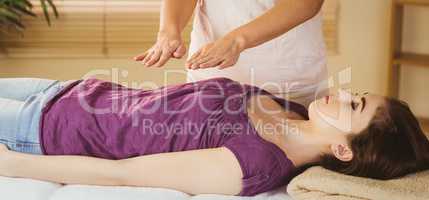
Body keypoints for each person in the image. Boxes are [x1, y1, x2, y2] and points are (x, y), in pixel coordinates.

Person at [0, 77, 428, 196]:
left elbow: (123, 175)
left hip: (40, 130)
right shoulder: (294, 109)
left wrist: (15, 165)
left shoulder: (254, 163)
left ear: (342, 148)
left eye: (353, 106)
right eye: (355, 94)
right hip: (67, 91)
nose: (341, 95)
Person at [134, 0, 328, 108]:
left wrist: (237, 40)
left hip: (288, 85)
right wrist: (169, 30)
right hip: (210, 79)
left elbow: (305, 3)